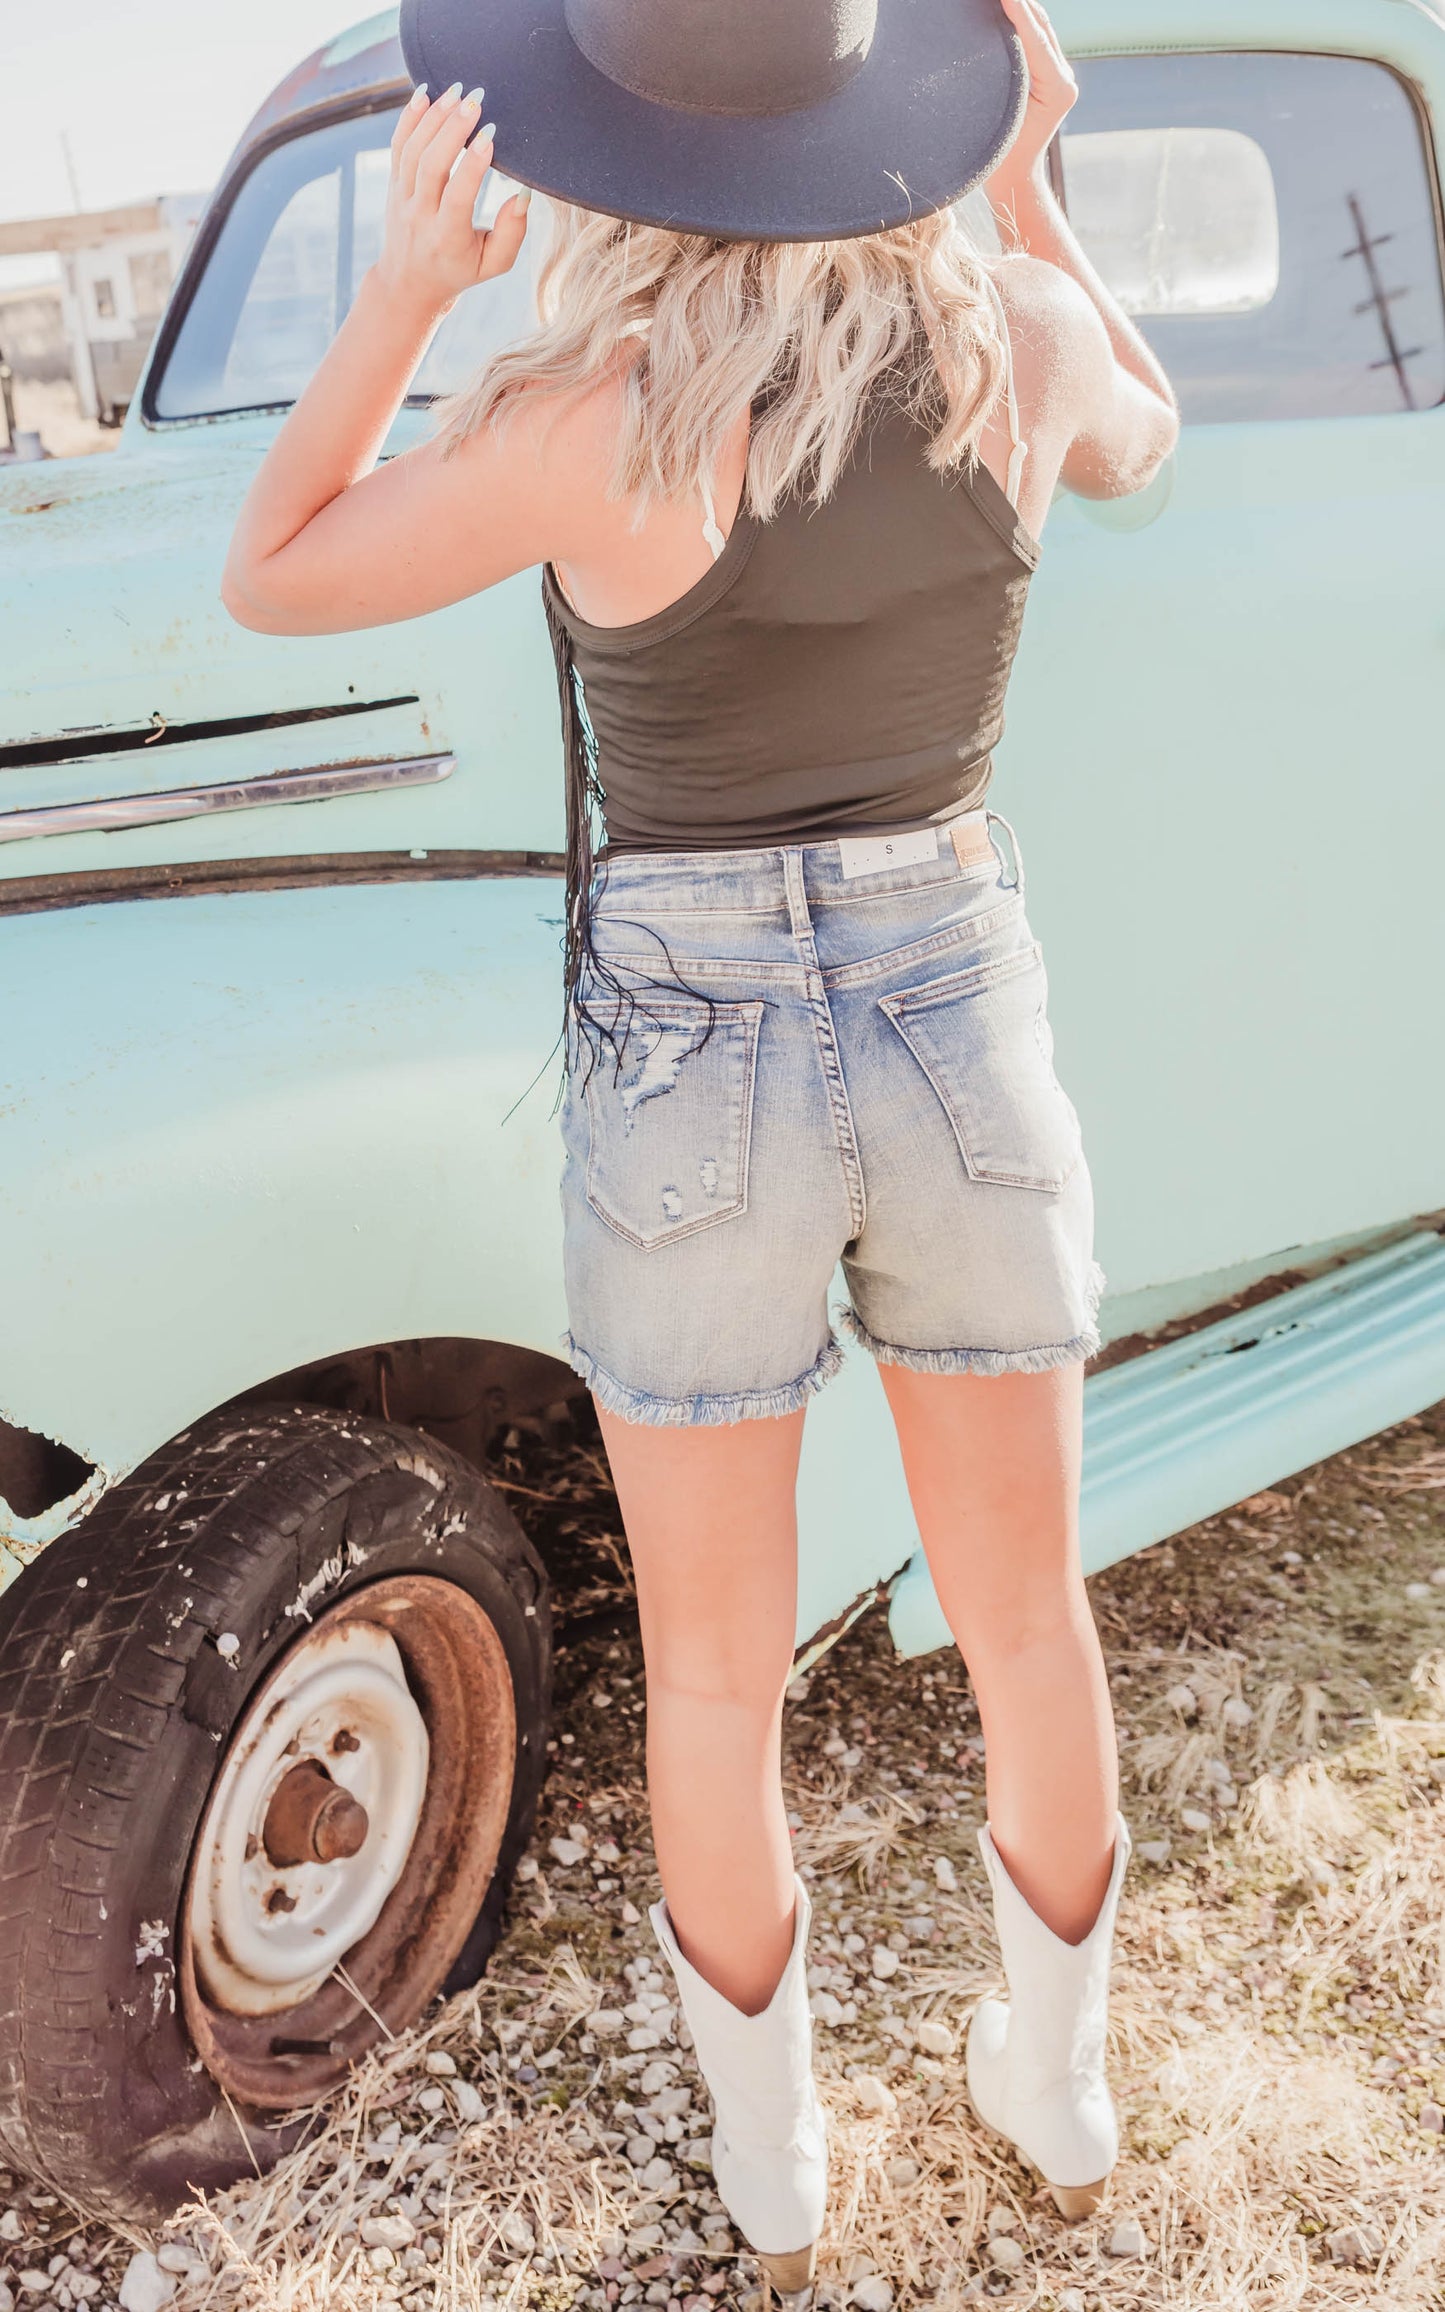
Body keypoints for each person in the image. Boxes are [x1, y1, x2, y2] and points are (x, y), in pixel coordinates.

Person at [222, 0, 1179, 2293]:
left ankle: (777, 2159)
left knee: (719, 1670)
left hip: (691, 1052)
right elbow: (1153, 436)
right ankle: (1056, 2080)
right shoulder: (1017, 345)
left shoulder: (588, 423)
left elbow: (277, 563)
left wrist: (401, 287)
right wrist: (1032, 177)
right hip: (962, 1003)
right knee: (1029, 1619)